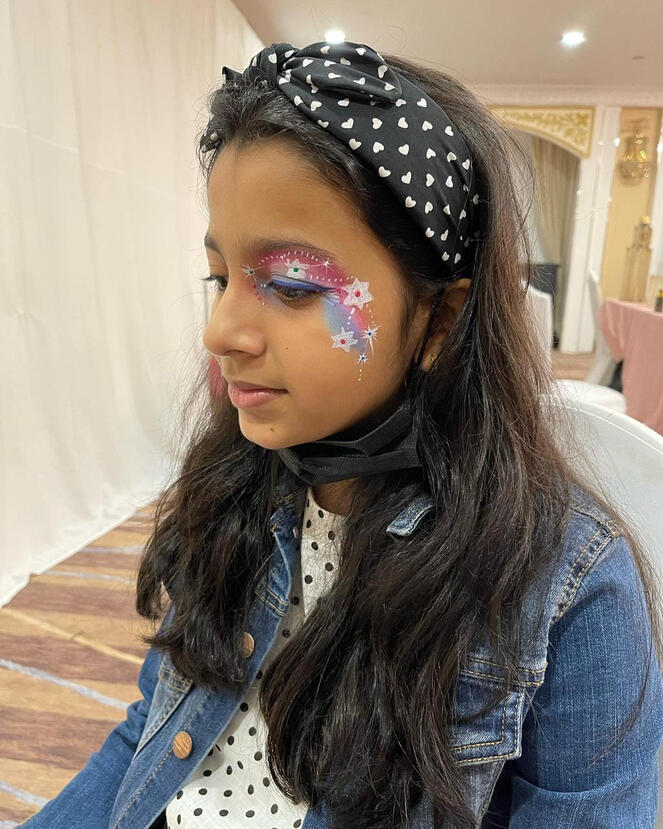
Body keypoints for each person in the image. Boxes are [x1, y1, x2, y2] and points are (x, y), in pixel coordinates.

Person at [23, 40, 663, 829]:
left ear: (439, 319)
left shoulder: (567, 587)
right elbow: (148, 734)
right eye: (220, 277)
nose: (219, 331)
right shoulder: (234, 485)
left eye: (292, 286)